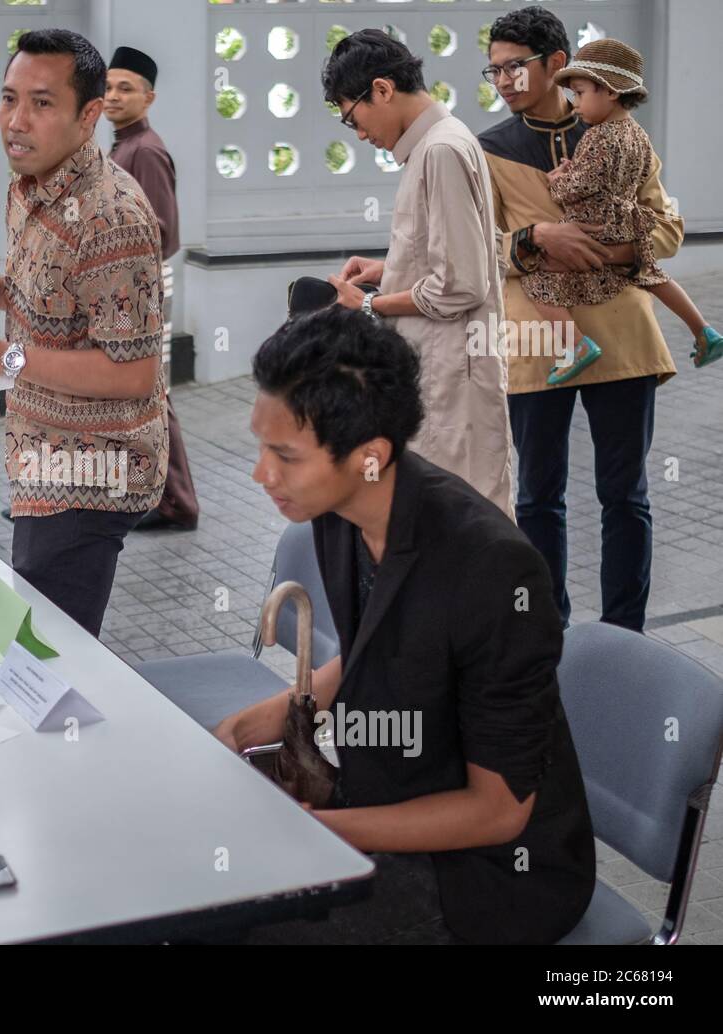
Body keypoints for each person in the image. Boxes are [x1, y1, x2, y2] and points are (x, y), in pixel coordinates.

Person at [213, 307, 594, 945]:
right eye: (261, 447)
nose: (261, 474)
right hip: (385, 803)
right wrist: (241, 730)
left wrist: (323, 830)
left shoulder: (494, 571)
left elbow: (498, 813)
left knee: (235, 919)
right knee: (196, 876)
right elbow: (375, 651)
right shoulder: (340, 512)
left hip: (491, 874)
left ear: (370, 457)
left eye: (284, 455)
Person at [0, 29, 169, 638]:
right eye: (9, 98)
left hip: (89, 474)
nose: (16, 120)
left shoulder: (113, 216)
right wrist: (0, 288)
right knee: (35, 643)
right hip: (40, 459)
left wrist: (3, 357)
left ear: (89, 115)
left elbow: (134, 373)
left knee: (45, 659)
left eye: (41, 103)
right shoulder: (30, 184)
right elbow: (62, 286)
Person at [480, 8, 685, 631]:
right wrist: (537, 237)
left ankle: (626, 636)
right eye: (494, 71)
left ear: (558, 63)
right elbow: (474, 245)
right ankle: (550, 634)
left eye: (517, 66)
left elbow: (669, 227)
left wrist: (607, 248)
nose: (505, 81)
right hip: (541, 340)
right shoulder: (485, 150)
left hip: (622, 338)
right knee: (538, 499)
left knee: (627, 498)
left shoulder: (622, 132)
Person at [323, 30, 513, 517]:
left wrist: (368, 303)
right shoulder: (440, 142)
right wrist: (390, 269)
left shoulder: (440, 151)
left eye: (354, 118)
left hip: (452, 375)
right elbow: (461, 255)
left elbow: (462, 284)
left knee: (460, 527)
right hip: (446, 368)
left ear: (382, 90)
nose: (361, 134)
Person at [523, 39, 722, 383]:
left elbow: (578, 187)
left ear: (611, 91)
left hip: (595, 225)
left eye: (581, 93)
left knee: (536, 274)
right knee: (652, 274)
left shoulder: (598, 136)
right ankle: (704, 331)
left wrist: (557, 182)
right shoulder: (638, 134)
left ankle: (576, 346)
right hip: (629, 221)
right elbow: (628, 174)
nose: (576, 104)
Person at [105, 45, 200, 532]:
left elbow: (162, 232)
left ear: (149, 96)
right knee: (142, 397)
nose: (114, 96)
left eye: (126, 88)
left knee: (151, 396)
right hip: (125, 293)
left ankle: (177, 503)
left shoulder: (144, 150)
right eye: (109, 87)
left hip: (137, 294)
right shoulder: (123, 145)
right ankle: (156, 497)